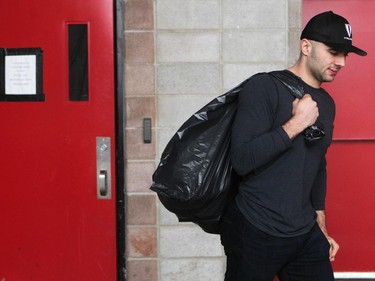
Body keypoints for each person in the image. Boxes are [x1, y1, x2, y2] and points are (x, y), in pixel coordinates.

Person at [220, 11, 367, 281]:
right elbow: (241, 159)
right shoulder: (263, 87)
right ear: (306, 46)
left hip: (303, 231)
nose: (342, 62)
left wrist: (319, 216)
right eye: (334, 52)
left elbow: (318, 160)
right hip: (255, 229)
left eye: (346, 55)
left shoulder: (326, 103)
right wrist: (296, 124)